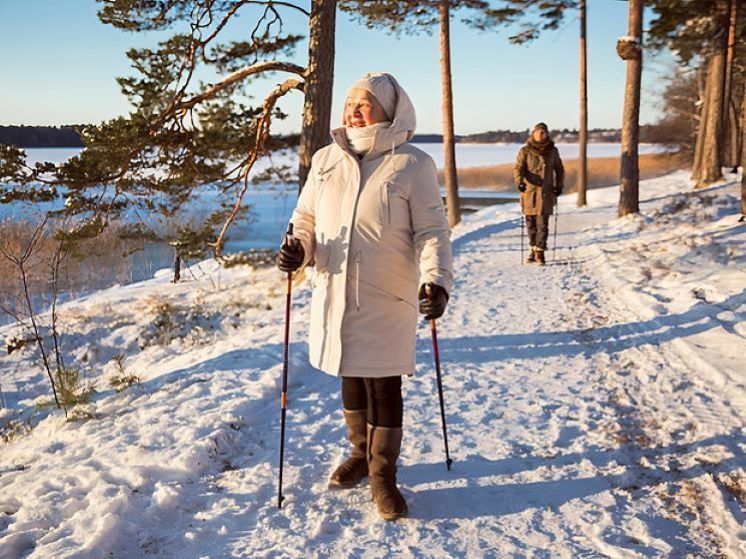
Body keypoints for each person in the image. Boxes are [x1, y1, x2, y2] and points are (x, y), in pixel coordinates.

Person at [276, 72, 454, 521]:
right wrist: (299, 250)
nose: (354, 108)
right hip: (334, 289)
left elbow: (432, 230)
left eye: (365, 103)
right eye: (350, 101)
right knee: (349, 375)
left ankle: (382, 475)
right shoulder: (326, 159)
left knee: (383, 384)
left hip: (386, 294)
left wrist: (436, 280)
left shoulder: (413, 164)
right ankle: (359, 453)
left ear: (389, 112)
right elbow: (306, 216)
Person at [513, 122, 565, 265]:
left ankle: (540, 252)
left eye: (543, 132)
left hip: (546, 193)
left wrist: (558, 186)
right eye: (538, 132)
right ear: (533, 134)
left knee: (542, 224)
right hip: (529, 193)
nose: (541, 135)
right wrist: (520, 182)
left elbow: (559, 169)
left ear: (547, 134)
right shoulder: (525, 151)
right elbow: (518, 168)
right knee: (531, 224)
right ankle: (533, 249)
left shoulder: (552, 151)